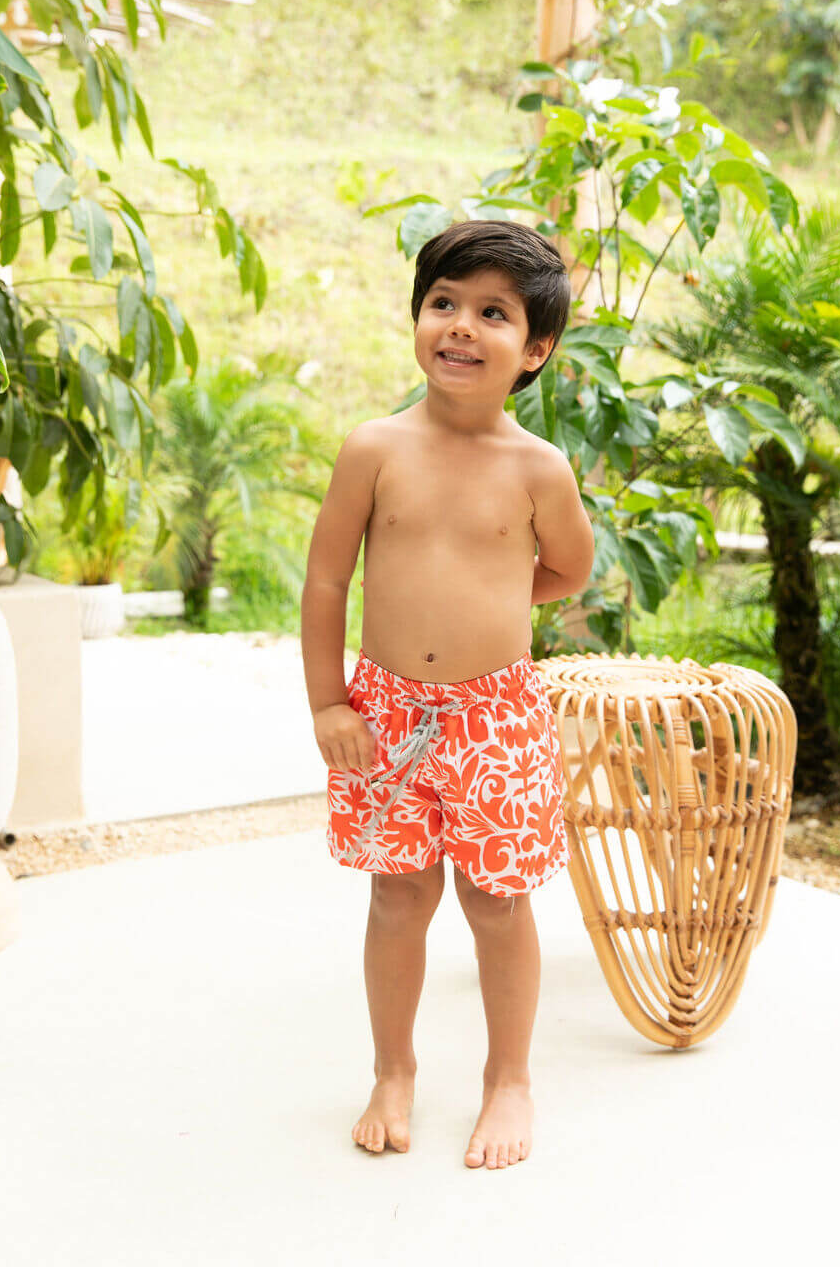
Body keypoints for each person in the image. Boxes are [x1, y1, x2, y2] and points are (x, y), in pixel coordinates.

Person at [301, 218, 595, 1170]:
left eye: (493, 313)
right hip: (383, 715)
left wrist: (494, 603)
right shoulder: (375, 449)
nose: (461, 326)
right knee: (397, 895)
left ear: (536, 349)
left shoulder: (538, 469)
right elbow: (326, 581)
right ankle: (393, 1071)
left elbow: (570, 571)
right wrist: (329, 703)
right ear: (418, 317)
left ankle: (509, 1080)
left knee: (498, 902)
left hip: (496, 720)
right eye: (444, 303)